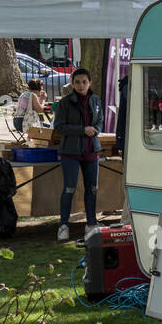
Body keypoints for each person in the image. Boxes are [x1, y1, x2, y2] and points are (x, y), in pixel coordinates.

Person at [53, 69, 103, 242]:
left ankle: (91, 223)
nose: (81, 85)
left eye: (84, 82)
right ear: (72, 83)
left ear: (89, 82)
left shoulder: (96, 100)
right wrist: (82, 130)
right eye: (78, 82)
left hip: (91, 151)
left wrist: (95, 129)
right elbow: (59, 126)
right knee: (69, 188)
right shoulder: (65, 103)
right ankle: (63, 225)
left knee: (92, 188)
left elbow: (99, 122)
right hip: (70, 152)